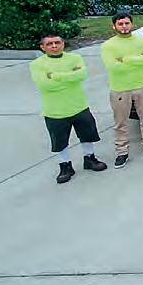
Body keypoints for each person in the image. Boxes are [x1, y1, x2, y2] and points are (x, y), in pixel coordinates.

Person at [30, 33, 107, 182]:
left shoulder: (75, 58)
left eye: (57, 43)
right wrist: (70, 76)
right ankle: (65, 165)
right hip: (55, 111)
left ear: (63, 44)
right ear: (42, 47)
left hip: (79, 106)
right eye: (49, 44)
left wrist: (55, 76)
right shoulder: (37, 65)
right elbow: (45, 85)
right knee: (60, 141)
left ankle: (89, 158)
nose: (54, 46)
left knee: (87, 134)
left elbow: (82, 75)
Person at [100, 11, 143, 168]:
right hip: (120, 89)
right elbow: (113, 67)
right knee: (120, 122)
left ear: (132, 24)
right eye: (120, 24)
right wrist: (139, 59)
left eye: (127, 23)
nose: (124, 26)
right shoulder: (108, 46)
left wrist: (126, 59)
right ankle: (122, 152)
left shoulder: (142, 41)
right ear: (114, 26)